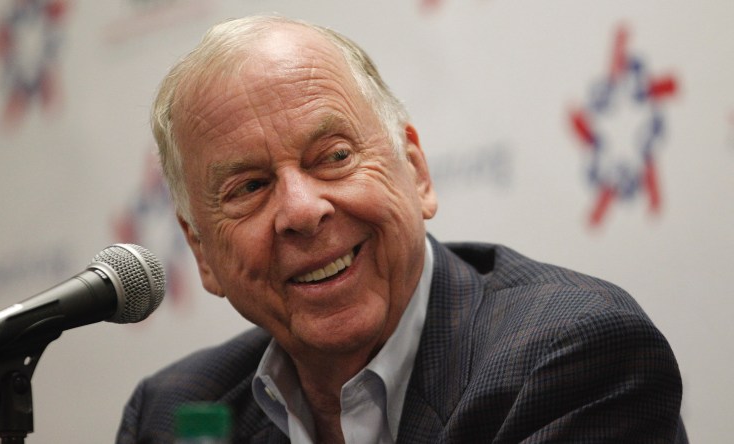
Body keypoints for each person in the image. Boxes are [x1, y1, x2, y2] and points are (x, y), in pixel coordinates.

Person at [116, 15, 686, 444]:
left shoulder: (574, 359)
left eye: (333, 156)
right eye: (248, 187)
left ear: (415, 173)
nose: (301, 210)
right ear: (203, 253)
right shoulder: (171, 412)